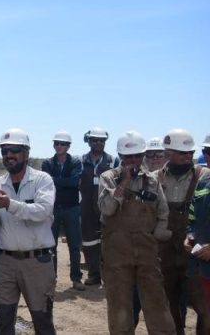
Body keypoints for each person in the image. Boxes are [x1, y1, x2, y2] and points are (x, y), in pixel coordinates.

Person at [0, 128, 56, 335]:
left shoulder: (42, 180)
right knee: (3, 322)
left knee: (43, 321)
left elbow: (42, 211)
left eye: (14, 150)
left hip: (37, 263)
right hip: (5, 263)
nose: (8, 155)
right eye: (4, 151)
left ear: (26, 153)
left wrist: (10, 204)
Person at [98, 131, 175, 334]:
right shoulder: (108, 178)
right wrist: (123, 183)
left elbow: (163, 214)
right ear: (120, 156)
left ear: (142, 156)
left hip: (147, 253)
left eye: (136, 156)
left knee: (156, 302)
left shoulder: (152, 181)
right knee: (119, 305)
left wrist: (153, 238)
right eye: (127, 156)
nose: (132, 160)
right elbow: (107, 209)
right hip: (117, 253)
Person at [156, 129, 210, 334]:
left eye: (190, 153)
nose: (188, 156)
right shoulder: (155, 179)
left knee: (204, 305)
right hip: (165, 250)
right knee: (169, 304)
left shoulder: (204, 176)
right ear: (168, 154)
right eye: (182, 153)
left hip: (195, 253)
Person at [40, 130, 85, 291]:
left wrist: (55, 180)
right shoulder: (47, 163)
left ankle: (76, 278)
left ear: (68, 146)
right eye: (57, 143)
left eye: (63, 144)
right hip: (53, 208)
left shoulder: (76, 162)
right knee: (51, 245)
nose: (59, 146)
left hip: (72, 207)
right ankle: (51, 279)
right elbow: (46, 184)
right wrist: (62, 182)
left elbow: (74, 182)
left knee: (74, 245)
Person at [80, 126, 118, 287]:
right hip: (87, 207)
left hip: (107, 206)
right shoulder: (81, 161)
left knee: (109, 241)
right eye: (94, 140)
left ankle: (109, 277)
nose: (98, 143)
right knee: (89, 241)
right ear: (88, 141)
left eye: (101, 140)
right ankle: (94, 275)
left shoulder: (113, 161)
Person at [187, 171, 210, 311]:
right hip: (205, 266)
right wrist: (190, 234)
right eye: (206, 152)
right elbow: (192, 216)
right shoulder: (203, 183)